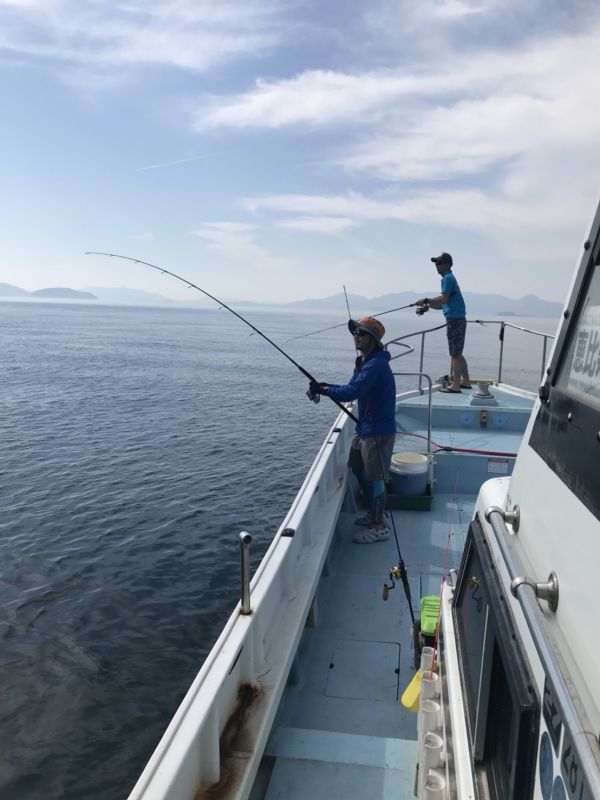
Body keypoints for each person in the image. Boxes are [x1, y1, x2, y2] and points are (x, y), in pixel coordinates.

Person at [308, 316, 396, 544]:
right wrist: (324, 386)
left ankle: (380, 525)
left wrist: (325, 390)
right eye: (355, 333)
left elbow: (351, 392)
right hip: (365, 429)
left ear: (373, 339)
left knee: (376, 478)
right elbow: (349, 387)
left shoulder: (376, 365)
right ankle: (374, 512)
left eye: (361, 333)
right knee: (357, 467)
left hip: (377, 432)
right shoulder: (366, 363)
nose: (356, 337)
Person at [416, 252, 472, 393]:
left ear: (447, 264)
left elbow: (443, 300)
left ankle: (456, 385)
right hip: (456, 319)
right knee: (457, 353)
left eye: (439, 263)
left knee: (455, 354)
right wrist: (428, 305)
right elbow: (442, 303)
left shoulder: (448, 278)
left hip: (455, 320)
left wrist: (427, 300)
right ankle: (465, 381)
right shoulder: (447, 279)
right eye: (436, 263)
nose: (437, 266)